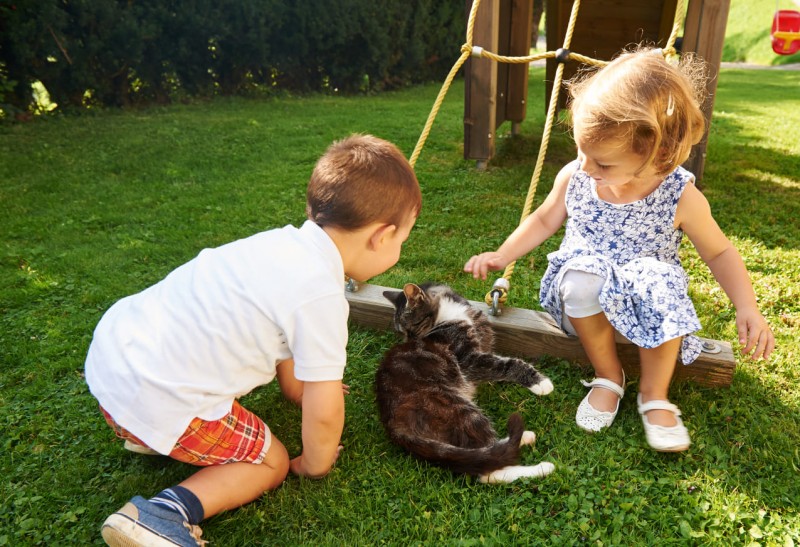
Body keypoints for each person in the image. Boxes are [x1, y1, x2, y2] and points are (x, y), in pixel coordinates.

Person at [85, 134, 421, 546]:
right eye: (403, 240)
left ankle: (145, 434)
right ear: (382, 236)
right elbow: (326, 408)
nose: (399, 249)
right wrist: (313, 464)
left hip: (113, 361)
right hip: (157, 393)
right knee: (270, 463)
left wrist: (294, 387)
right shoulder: (322, 297)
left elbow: (286, 343)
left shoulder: (277, 245)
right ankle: (163, 513)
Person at [464, 48, 775, 453]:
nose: (588, 168)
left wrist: (746, 305)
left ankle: (654, 394)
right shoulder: (576, 175)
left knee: (661, 279)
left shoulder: (679, 194)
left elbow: (719, 253)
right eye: (582, 152)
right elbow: (543, 220)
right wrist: (502, 255)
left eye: (603, 163)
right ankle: (609, 375)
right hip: (585, 306)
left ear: (658, 156)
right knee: (581, 277)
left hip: (648, 302)